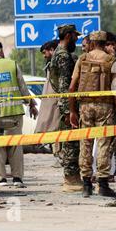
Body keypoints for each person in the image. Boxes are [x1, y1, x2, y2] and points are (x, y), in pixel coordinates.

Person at [69, 30, 116, 197]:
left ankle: (86, 185)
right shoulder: (111, 61)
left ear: (91, 43)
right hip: (105, 107)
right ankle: (103, 184)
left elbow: (72, 88)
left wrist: (72, 110)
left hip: (84, 106)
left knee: (85, 143)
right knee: (104, 144)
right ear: (105, 43)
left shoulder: (82, 59)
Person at [0, 39, 37, 186]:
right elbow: (23, 88)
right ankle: (17, 178)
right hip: (14, 112)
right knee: (15, 145)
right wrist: (31, 104)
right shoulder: (12, 64)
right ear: (0, 50)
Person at [50, 24, 82, 193]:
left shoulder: (58, 53)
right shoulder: (64, 56)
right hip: (67, 105)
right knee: (71, 142)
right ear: (68, 36)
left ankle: (72, 176)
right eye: (75, 37)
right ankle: (71, 179)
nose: (77, 40)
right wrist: (70, 110)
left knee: (70, 141)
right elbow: (65, 85)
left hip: (64, 104)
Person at [35, 40, 61, 166]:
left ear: (51, 50)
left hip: (58, 101)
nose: (44, 56)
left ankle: (61, 155)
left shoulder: (61, 61)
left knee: (57, 126)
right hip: (52, 100)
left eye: (45, 52)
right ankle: (57, 154)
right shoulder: (50, 63)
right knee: (53, 126)